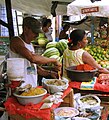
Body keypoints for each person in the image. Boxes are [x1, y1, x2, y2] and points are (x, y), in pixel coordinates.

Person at [9, 16, 61, 87]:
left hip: (31, 88)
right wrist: (53, 60)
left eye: (38, 33)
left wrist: (49, 73)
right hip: (19, 88)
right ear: (25, 29)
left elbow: (34, 69)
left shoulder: (30, 45)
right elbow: (32, 58)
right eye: (34, 32)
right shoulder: (16, 41)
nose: (36, 35)